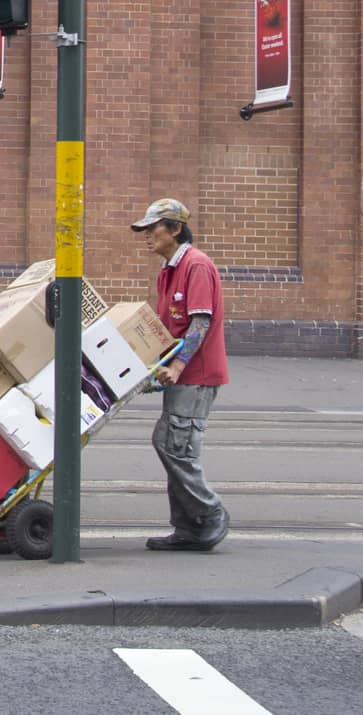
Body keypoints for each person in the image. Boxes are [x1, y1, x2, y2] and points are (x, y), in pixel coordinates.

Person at [131, 197, 230, 552]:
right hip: (182, 374)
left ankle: (210, 512)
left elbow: (199, 323)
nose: (146, 236)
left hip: (196, 375)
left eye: (151, 228)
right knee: (172, 444)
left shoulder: (196, 266)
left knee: (175, 446)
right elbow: (166, 328)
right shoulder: (169, 269)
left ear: (174, 229)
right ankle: (189, 528)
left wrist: (177, 366)